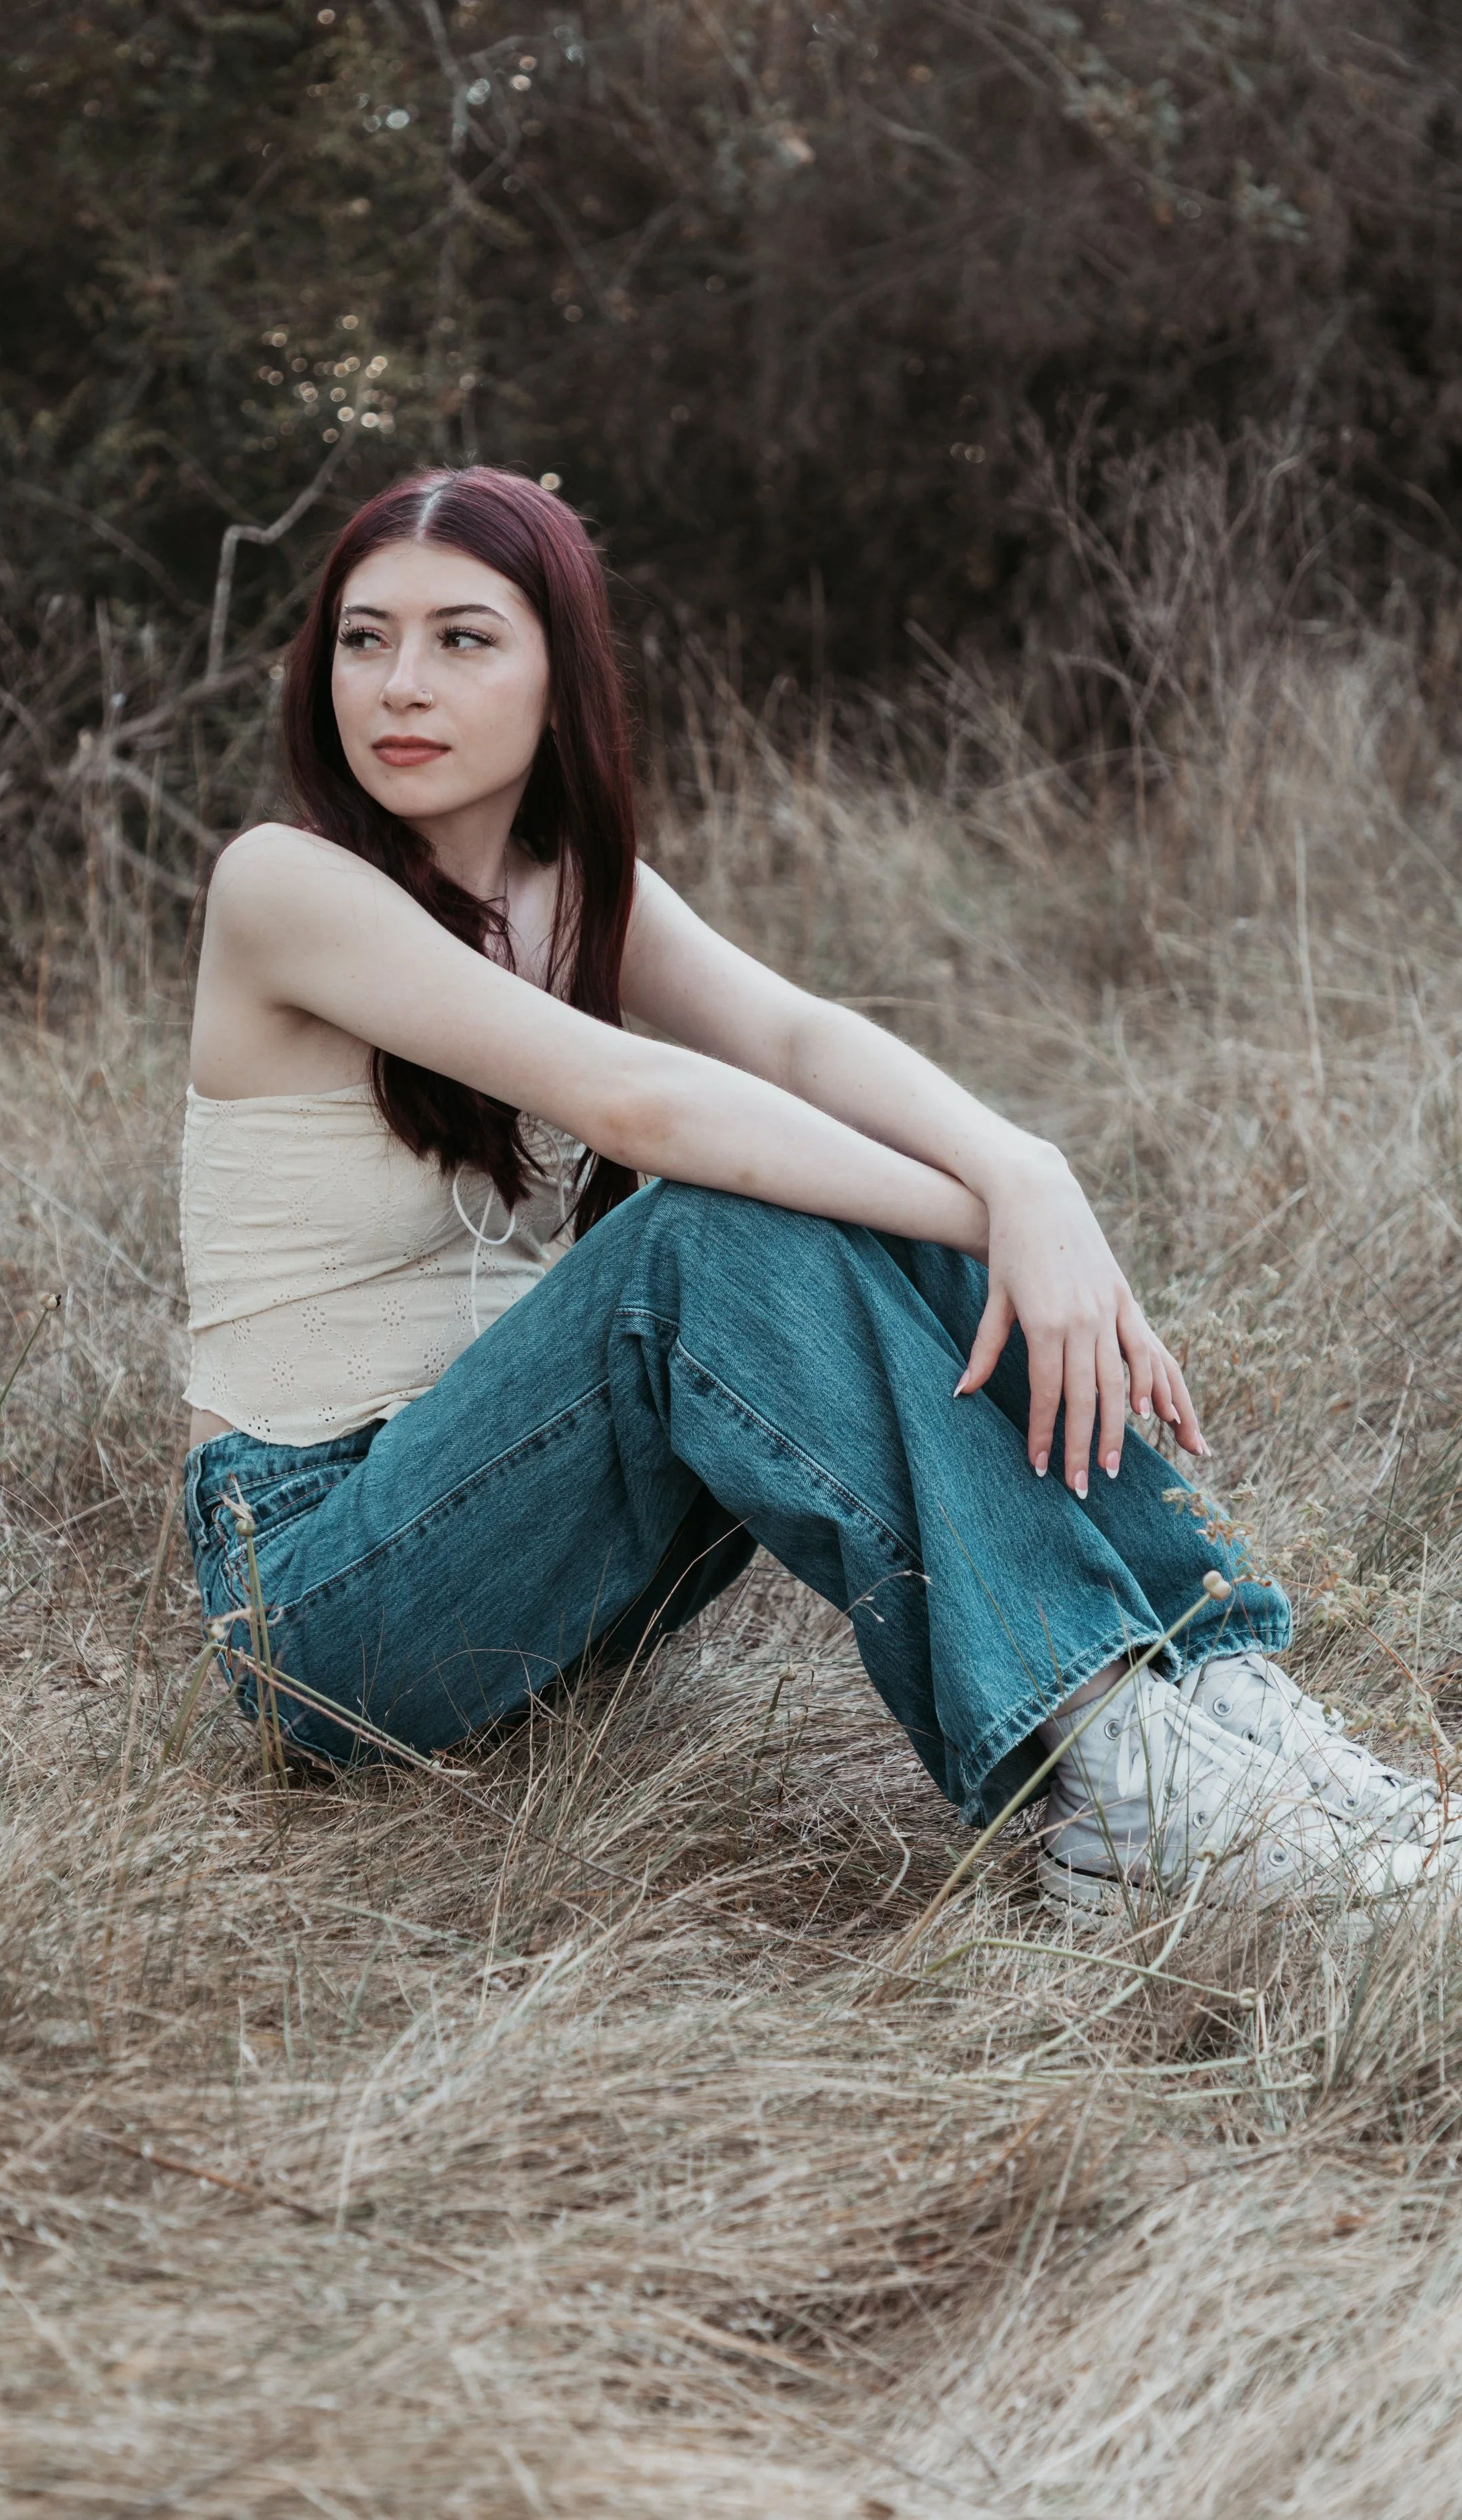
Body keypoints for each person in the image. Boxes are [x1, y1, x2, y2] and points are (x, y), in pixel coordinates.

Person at [181, 465, 1450, 1912]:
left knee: (839, 1187)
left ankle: (1209, 1693)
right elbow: (638, 1102)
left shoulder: (582, 887)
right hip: (317, 1602)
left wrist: (1026, 1172)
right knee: (706, 1232)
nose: (400, 685)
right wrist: (1001, 1222)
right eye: (364, 639)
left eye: (462, 639)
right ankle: (1116, 1771)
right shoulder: (283, 884)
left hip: (532, 1567)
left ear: (558, 678)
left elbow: (794, 1037)